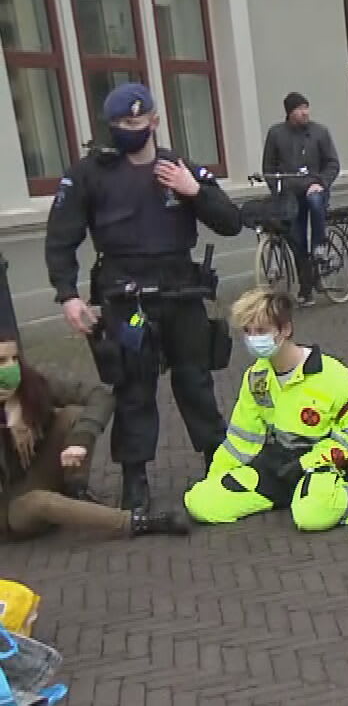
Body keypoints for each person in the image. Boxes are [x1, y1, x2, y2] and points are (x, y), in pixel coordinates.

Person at [45, 82, 243, 515]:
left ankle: (218, 463)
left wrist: (195, 191)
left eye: (136, 122)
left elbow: (231, 222)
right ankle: (135, 480)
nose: (128, 130)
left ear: (154, 120)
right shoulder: (89, 174)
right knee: (133, 389)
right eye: (119, 124)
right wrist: (67, 295)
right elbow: (60, 238)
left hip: (180, 291)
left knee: (195, 382)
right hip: (124, 295)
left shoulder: (180, 168)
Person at [182, 289, 348, 531]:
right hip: (278, 465)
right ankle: (293, 496)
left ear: (285, 329)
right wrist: (216, 478)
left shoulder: (331, 375)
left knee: (312, 517)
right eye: (248, 332)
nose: (253, 339)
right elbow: (242, 439)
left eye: (261, 331)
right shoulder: (257, 378)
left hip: (323, 465)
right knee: (199, 501)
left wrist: (308, 462)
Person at [0, 333, 188, 539]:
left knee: (71, 415)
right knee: (40, 502)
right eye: (1, 361)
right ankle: (137, 522)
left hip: (34, 476)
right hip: (10, 512)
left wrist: (81, 439)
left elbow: (99, 397)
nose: (10, 368)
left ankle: (76, 489)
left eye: (15, 359)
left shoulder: (30, 385)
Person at [261, 92, 342, 306]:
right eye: (300, 109)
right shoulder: (276, 134)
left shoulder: (319, 132)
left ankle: (319, 246)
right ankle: (306, 289)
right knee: (296, 239)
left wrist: (321, 183)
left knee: (315, 202)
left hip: (314, 187)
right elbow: (268, 167)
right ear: (290, 112)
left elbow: (332, 163)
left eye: (306, 107)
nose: (305, 112)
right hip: (290, 193)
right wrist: (276, 190)